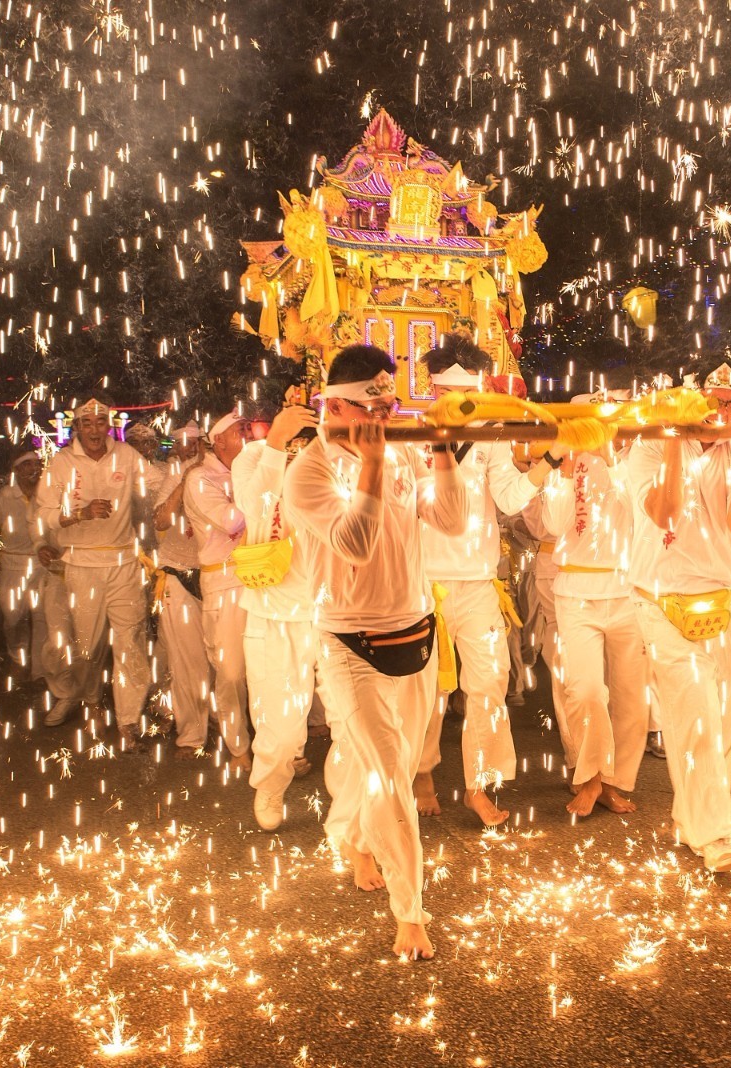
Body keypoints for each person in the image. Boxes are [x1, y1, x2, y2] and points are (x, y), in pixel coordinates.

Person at [285, 344, 466, 960]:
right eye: (373, 405)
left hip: (414, 629)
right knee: (391, 775)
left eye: (391, 402)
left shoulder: (402, 452)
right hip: (348, 642)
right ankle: (410, 913)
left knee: (397, 761)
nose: (386, 414)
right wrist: (370, 465)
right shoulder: (308, 470)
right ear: (334, 405)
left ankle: (361, 839)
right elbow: (355, 545)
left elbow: (451, 520)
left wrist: (441, 453)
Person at [625, 360, 731, 872]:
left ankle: (691, 815)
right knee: (696, 720)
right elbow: (665, 513)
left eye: (729, 402)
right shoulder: (646, 445)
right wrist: (673, 437)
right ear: (688, 399)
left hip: (726, 598)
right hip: (664, 601)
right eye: (709, 400)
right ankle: (716, 835)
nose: (719, 411)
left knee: (727, 723)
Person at [414, 336, 564, 827]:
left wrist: (551, 463)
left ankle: (480, 783)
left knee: (490, 681)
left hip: (478, 582)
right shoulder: (409, 437)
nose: (455, 404)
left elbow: (509, 498)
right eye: (445, 394)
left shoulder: (491, 438)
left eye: (464, 396)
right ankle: (421, 772)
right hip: (422, 583)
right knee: (425, 691)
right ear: (432, 391)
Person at [540, 392, 650, 818]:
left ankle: (614, 781)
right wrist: (566, 471)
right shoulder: (567, 458)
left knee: (630, 696)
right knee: (585, 689)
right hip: (576, 592)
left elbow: (642, 516)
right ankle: (587, 776)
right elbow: (552, 524)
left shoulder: (637, 455)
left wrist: (611, 455)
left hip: (627, 591)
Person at [37, 390, 160, 748]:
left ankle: (127, 722)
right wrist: (80, 513)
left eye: (101, 422)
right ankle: (91, 702)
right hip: (81, 565)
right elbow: (44, 513)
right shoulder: (61, 461)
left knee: (131, 642)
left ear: (110, 425)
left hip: (123, 562)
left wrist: (187, 482)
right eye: (86, 423)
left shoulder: (126, 455)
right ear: (76, 426)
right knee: (87, 647)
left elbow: (157, 483)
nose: (94, 429)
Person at [231, 400, 322, 829]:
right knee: (282, 730)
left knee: (356, 722)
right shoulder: (252, 457)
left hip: (335, 609)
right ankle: (270, 785)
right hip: (273, 611)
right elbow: (256, 507)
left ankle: (354, 811)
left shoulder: (331, 452)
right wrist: (277, 444)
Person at [183, 411, 254, 770]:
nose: (248, 434)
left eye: (247, 428)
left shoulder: (252, 467)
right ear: (219, 440)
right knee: (230, 672)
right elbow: (232, 520)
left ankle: (279, 748)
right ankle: (238, 745)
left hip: (262, 577)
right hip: (224, 581)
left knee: (266, 665)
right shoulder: (200, 478)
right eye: (239, 430)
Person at [152, 424, 213, 752]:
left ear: (205, 444)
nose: (187, 450)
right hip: (178, 573)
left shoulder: (223, 471)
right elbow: (160, 520)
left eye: (193, 444)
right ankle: (191, 734)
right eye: (180, 445)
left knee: (221, 659)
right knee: (186, 661)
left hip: (217, 577)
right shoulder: (175, 472)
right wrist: (186, 478)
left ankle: (216, 715)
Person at [0, 450, 48, 683]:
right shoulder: (5, 496)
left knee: (42, 617)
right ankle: (17, 658)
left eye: (37, 464)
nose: (34, 469)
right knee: (13, 617)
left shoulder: (47, 494)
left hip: (42, 562)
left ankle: (40, 669)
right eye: (28, 465)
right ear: (18, 470)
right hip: (12, 562)